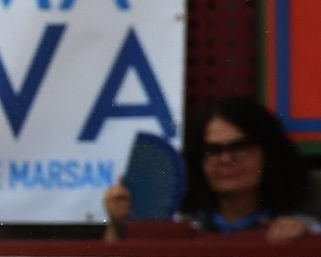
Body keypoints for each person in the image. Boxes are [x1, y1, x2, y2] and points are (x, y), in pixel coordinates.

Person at [104, 98, 317, 241]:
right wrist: (116, 225)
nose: (226, 159)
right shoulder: (180, 228)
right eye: (213, 150)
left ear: (269, 154)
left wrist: (305, 240)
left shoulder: (301, 228)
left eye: (240, 147)